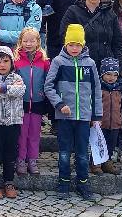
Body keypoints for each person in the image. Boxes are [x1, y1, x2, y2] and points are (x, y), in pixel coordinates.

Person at [44, 24, 102, 201]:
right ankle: (63, 183)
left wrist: (96, 115)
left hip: (84, 117)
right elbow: (48, 86)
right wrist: (59, 104)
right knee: (64, 152)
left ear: (83, 45)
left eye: (78, 44)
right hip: (65, 117)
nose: (75, 48)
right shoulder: (58, 62)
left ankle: (83, 183)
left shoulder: (90, 63)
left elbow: (97, 90)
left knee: (83, 152)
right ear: (66, 44)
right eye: (71, 44)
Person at [59, 0, 122, 72]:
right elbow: (64, 39)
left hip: (106, 69)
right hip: (81, 67)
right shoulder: (73, 12)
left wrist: (121, 67)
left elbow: (118, 44)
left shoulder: (110, 14)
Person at [0, 46, 26, 200]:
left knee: (10, 153)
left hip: (13, 123)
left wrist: (2, 88)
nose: (2, 64)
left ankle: (9, 181)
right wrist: (8, 91)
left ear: (11, 62)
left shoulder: (17, 78)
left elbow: (21, 91)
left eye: (6, 61)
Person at [13, 27, 49, 176]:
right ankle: (20, 159)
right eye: (25, 40)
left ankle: (32, 159)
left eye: (32, 40)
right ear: (20, 42)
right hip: (21, 102)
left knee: (35, 133)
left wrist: (44, 94)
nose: (28, 43)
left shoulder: (45, 61)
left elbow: (48, 81)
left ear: (38, 42)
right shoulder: (16, 61)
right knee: (21, 134)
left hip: (38, 102)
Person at [97, 57, 122, 176]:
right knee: (99, 143)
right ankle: (95, 162)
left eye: (115, 75)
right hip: (101, 122)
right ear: (102, 74)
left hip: (115, 122)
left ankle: (107, 162)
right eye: (108, 74)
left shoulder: (119, 88)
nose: (111, 78)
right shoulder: (98, 88)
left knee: (111, 144)